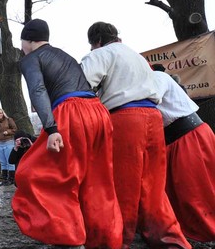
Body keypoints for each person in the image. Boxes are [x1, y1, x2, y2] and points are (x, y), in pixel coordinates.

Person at [12, 19, 122, 248]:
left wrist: (51, 129)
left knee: (40, 174)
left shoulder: (31, 58)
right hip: (98, 112)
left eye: (22, 41)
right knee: (97, 180)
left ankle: (68, 239)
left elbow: (38, 90)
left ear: (28, 40)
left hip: (71, 113)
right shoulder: (65, 55)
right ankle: (104, 241)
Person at [80, 21, 190, 248]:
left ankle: (117, 240)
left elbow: (82, 86)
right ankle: (169, 240)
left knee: (122, 184)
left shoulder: (100, 54)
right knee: (154, 185)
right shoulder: (138, 57)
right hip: (153, 117)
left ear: (97, 41)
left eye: (92, 45)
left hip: (125, 118)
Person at [153, 69, 215, 241]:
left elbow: (152, 98)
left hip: (189, 138)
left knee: (196, 192)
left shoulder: (157, 77)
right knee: (183, 195)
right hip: (175, 142)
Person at [0, 108, 17, 186]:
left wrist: (8, 132)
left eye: (0, 113)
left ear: (3, 113)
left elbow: (14, 129)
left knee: (9, 161)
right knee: (3, 162)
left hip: (9, 142)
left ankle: (11, 179)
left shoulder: (8, 120)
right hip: (0, 143)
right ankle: (4, 179)